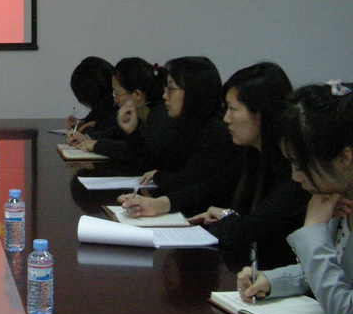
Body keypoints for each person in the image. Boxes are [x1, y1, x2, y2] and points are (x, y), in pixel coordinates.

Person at [122, 62, 307, 269]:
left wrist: (224, 218)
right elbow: (213, 187)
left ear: (262, 112)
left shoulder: (295, 169)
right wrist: (158, 204)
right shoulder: (253, 153)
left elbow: (246, 232)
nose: (226, 118)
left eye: (233, 109)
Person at [238, 82, 353, 314]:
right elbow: (333, 270)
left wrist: (313, 233)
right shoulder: (336, 195)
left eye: (300, 166)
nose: (295, 177)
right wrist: (273, 280)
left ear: (345, 158)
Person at [138, 56, 234, 192]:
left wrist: (158, 176)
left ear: (194, 91)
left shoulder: (215, 133)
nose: (165, 96)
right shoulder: (187, 124)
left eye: (171, 88)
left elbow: (186, 183)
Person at [70, 57, 173, 171]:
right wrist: (86, 138)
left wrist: (96, 145)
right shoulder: (140, 114)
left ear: (137, 94)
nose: (115, 99)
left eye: (117, 93)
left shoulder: (161, 115)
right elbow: (118, 133)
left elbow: (140, 153)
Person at [65, 56, 116, 137]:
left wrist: (97, 126)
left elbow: (117, 130)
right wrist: (82, 122)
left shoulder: (121, 101)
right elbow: (97, 114)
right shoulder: (106, 99)